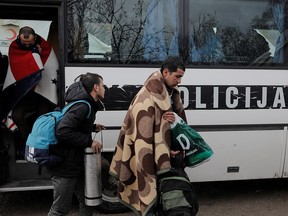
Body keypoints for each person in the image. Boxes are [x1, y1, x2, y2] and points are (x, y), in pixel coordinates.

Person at [109, 56, 187, 215]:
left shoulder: (168, 92)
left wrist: (173, 119)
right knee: (150, 197)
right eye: (177, 76)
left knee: (160, 197)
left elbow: (164, 124)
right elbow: (142, 136)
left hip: (163, 154)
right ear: (165, 72)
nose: (180, 81)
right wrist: (165, 151)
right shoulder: (147, 96)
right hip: (151, 156)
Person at [48, 72, 105, 216]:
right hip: (66, 167)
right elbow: (63, 131)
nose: (105, 89)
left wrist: (92, 127)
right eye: (103, 86)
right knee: (59, 210)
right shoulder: (82, 106)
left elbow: (75, 125)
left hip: (76, 164)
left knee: (87, 201)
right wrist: (89, 141)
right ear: (96, 87)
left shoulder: (84, 104)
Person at [1, 26, 58, 159]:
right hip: (23, 91)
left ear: (35, 38)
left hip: (43, 90)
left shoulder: (44, 46)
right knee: (17, 115)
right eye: (24, 44)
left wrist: (37, 55)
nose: (27, 46)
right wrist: (32, 56)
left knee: (44, 118)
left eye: (30, 44)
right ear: (18, 38)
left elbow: (51, 67)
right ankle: (28, 144)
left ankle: (42, 147)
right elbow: (17, 66)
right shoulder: (14, 47)